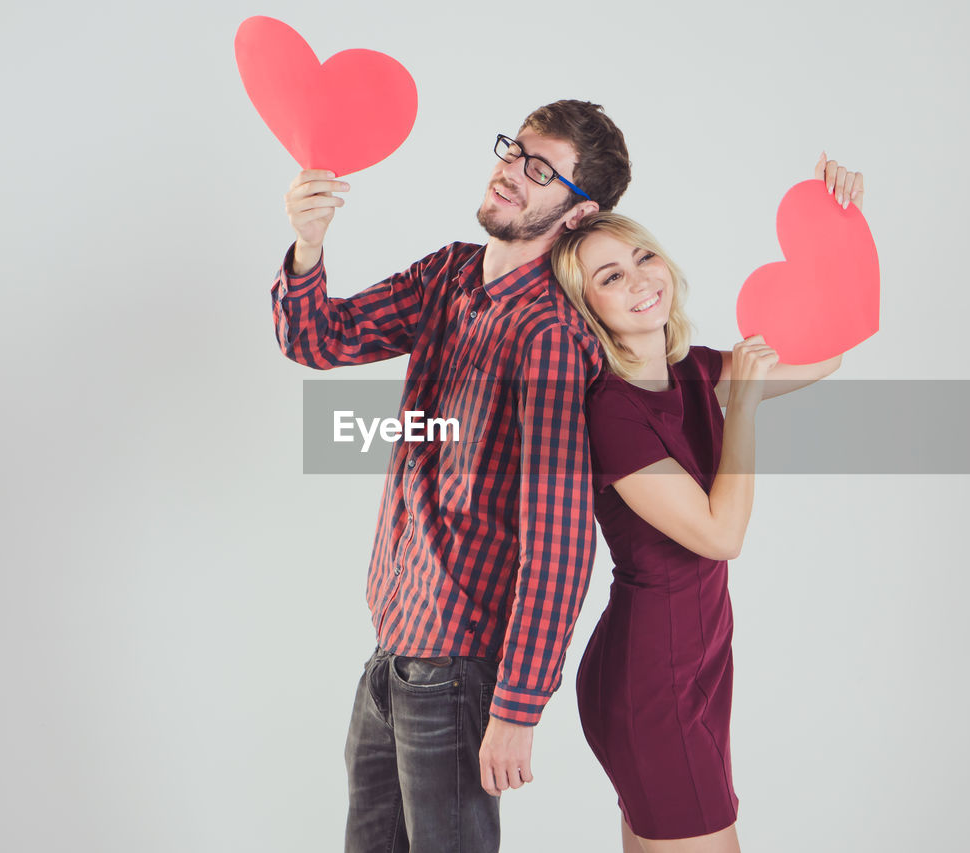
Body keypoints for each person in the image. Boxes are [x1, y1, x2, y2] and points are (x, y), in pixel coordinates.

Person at [272, 100, 632, 852]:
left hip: (460, 673)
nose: (511, 171)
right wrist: (309, 244)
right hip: (391, 652)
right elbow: (317, 339)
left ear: (578, 212)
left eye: (542, 170)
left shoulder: (551, 338)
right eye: (515, 151)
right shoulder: (449, 273)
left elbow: (561, 544)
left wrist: (519, 709)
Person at [549, 154, 864, 853]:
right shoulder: (612, 411)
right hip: (649, 676)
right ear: (586, 308)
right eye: (610, 277)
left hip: (696, 659)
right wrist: (744, 405)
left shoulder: (693, 368)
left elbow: (827, 354)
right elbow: (721, 535)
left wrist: (838, 222)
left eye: (641, 258)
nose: (638, 280)